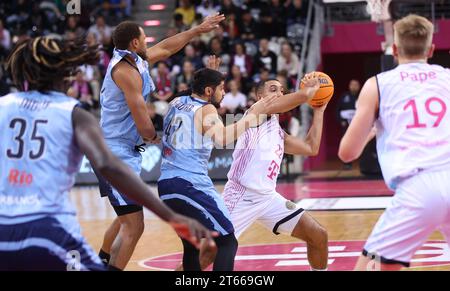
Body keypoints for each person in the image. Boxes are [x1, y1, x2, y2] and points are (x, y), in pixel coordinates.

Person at [0, 36, 216, 271]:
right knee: (130, 226)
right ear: (64, 73)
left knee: (127, 221)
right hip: (48, 232)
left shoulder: (4, 106)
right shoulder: (73, 113)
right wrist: (171, 216)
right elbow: (108, 166)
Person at [95, 14, 225, 271]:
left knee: (127, 216)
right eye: (144, 38)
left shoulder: (136, 60)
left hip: (122, 151)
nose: (148, 41)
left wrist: (197, 30)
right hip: (114, 153)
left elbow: (167, 47)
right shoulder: (124, 72)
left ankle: (101, 258)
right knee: (134, 226)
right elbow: (143, 122)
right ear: (134, 43)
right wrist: (159, 138)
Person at [180, 76, 329, 271]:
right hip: (241, 196)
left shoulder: (277, 132)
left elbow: (311, 147)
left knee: (318, 235)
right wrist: (308, 92)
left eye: (282, 91)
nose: (279, 94)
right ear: (259, 96)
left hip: (267, 198)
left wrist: (319, 110)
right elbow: (283, 104)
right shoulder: (256, 114)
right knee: (208, 252)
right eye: (273, 89)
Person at [338, 14, 450, 271]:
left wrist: (375, 129)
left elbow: (347, 153)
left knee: (372, 267)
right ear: (431, 50)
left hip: (418, 188)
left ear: (395, 50)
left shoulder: (378, 84)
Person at [336, 79, 360, 169]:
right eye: (352, 85)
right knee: (346, 142)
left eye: (356, 85)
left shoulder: (362, 96)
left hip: (358, 124)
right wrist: (341, 120)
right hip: (346, 124)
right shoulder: (344, 96)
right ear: (349, 86)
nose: (354, 87)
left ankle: (362, 162)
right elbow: (337, 110)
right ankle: (347, 163)